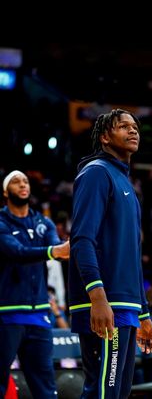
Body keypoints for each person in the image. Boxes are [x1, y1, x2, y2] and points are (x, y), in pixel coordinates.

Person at [69, 108, 152, 398]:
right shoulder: (96, 173)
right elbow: (82, 239)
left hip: (126, 307)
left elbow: (132, 255)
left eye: (135, 127)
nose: (133, 131)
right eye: (124, 126)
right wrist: (97, 297)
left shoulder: (125, 182)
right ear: (105, 137)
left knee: (117, 394)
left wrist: (143, 313)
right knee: (102, 394)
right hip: (105, 304)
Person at [0, 170, 70, 399]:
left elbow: (57, 250)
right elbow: (17, 252)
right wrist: (54, 251)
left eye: (26, 181)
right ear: (5, 191)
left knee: (46, 388)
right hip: (7, 314)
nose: (23, 184)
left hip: (39, 314)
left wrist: (68, 247)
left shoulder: (44, 223)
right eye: (16, 181)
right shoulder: (1, 223)